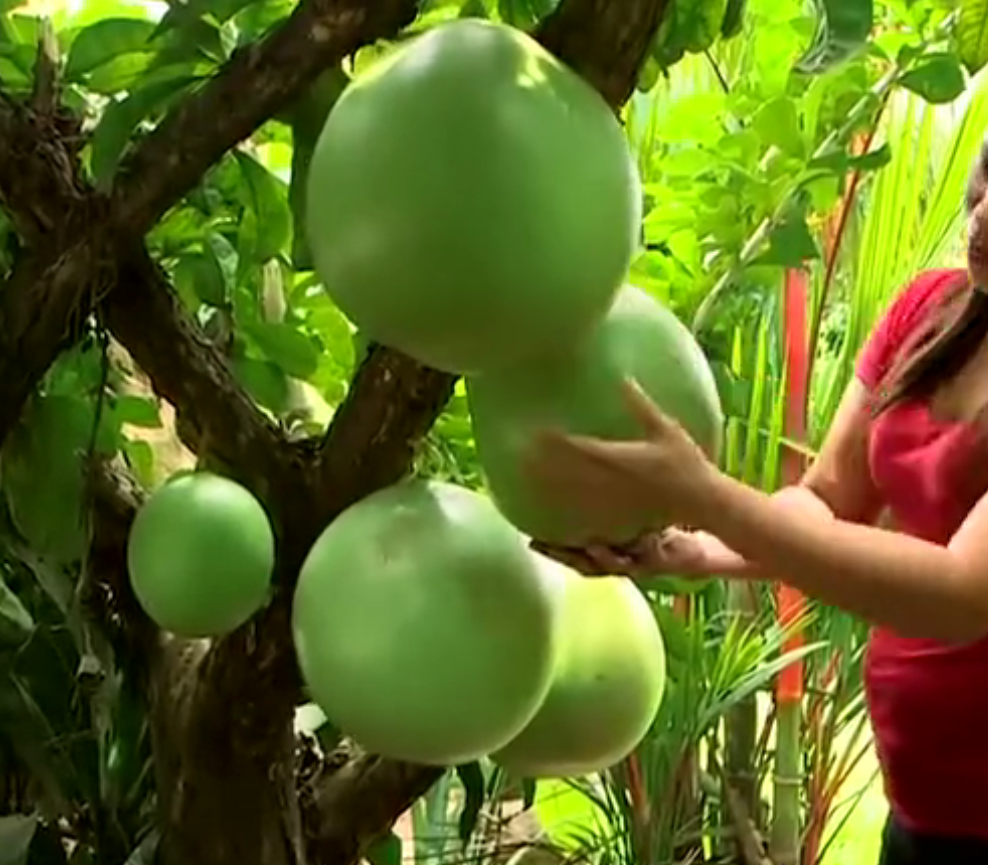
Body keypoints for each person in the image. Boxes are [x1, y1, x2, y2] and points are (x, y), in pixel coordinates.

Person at [527, 148, 988, 865]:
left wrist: (707, 496)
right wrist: (700, 549)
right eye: (987, 177)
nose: (983, 211)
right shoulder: (932, 310)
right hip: (921, 806)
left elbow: (962, 595)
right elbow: (828, 500)